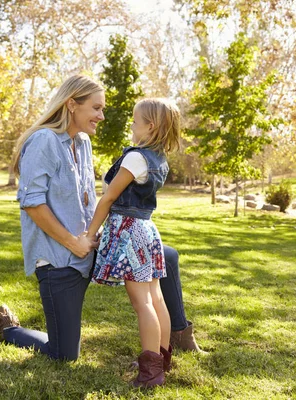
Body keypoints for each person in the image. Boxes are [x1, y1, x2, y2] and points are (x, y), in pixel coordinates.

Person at [0, 76, 202, 363]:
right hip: (60, 258)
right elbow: (32, 204)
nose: (102, 116)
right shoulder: (43, 141)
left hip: (92, 245)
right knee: (63, 355)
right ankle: (8, 328)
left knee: (165, 257)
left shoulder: (83, 141)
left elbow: (90, 198)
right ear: (72, 104)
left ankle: (178, 336)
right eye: (96, 108)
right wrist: (74, 243)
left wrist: (96, 236)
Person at [85, 98, 180, 388]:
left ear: (149, 126)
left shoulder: (136, 158)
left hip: (128, 232)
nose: (131, 125)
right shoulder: (158, 158)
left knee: (142, 303)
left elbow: (110, 197)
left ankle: (151, 373)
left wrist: (90, 233)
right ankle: (162, 360)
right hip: (146, 229)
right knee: (155, 298)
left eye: (135, 121)